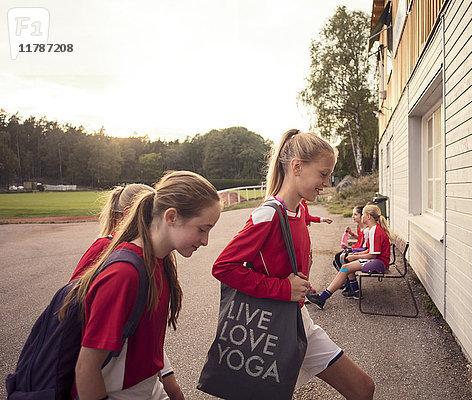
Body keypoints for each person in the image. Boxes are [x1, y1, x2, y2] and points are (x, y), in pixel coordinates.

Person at [212, 129, 375, 400]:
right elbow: (224, 267)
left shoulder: (299, 210)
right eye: (323, 174)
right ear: (297, 166)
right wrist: (282, 289)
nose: (327, 182)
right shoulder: (267, 214)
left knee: (363, 388)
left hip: (297, 320)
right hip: (271, 326)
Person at [59, 170, 221, 400]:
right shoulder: (124, 274)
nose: (205, 241)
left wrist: (170, 386)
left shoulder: (159, 262)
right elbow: (86, 368)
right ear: (171, 217)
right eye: (202, 229)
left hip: (147, 388)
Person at [69, 183, 185, 399]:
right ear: (130, 213)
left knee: (174, 389)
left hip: (138, 346)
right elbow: (77, 300)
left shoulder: (153, 253)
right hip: (114, 350)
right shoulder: (110, 250)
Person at [307, 204, 391, 307]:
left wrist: (355, 256)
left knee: (346, 267)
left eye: (363, 214)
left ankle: (323, 298)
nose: (362, 216)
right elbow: (370, 250)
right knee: (347, 263)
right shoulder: (373, 229)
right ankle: (353, 290)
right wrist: (355, 254)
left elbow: (373, 255)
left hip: (380, 264)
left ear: (369, 216)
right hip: (376, 261)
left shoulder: (375, 230)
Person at [333, 205, 367, 294]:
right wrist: (351, 234)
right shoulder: (360, 226)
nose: (353, 217)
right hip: (358, 248)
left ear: (362, 215)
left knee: (340, 258)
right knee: (337, 259)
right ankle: (347, 281)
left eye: (355, 214)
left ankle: (351, 285)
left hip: (362, 250)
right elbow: (360, 239)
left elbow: (365, 244)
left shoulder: (366, 228)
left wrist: (352, 251)